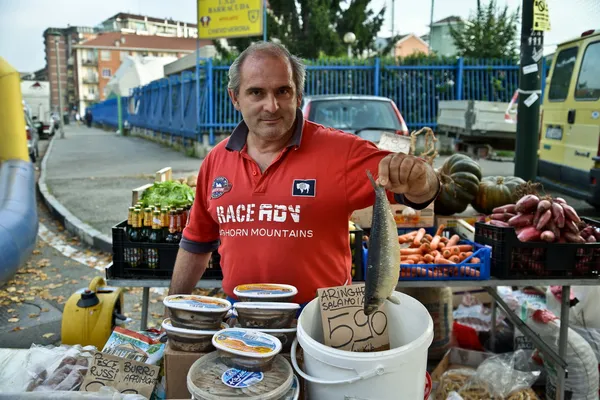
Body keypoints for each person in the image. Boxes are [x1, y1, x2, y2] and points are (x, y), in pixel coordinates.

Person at [168, 42, 440, 307]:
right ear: (235, 98)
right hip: (242, 320)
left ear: (298, 95)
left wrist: (420, 177)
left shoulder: (341, 152)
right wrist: (172, 310)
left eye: (283, 91)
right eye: (256, 93)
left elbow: (421, 190)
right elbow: (196, 243)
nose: (271, 106)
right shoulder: (217, 160)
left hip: (323, 320)